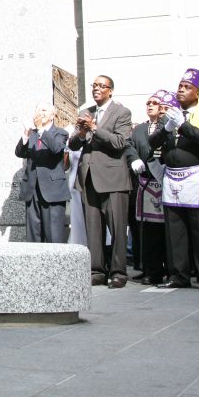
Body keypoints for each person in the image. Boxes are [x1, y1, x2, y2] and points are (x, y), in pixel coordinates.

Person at [152, 69, 199, 291]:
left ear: (198, 93)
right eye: (180, 86)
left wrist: (184, 125)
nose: (181, 89)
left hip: (198, 178)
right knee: (175, 230)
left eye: (187, 87)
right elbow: (152, 142)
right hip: (173, 179)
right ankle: (178, 274)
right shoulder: (170, 115)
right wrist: (168, 128)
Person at [69, 75, 132, 288]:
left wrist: (95, 129)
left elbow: (119, 142)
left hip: (113, 179)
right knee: (93, 229)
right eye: (94, 86)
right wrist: (83, 131)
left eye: (101, 86)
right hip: (89, 178)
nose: (96, 89)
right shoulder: (86, 112)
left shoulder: (122, 112)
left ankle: (118, 272)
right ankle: (96, 271)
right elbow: (74, 144)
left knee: (116, 228)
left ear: (110, 90)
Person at [125, 90, 171, 285]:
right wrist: (134, 159)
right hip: (143, 182)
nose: (150, 105)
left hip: (166, 181)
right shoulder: (139, 129)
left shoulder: (169, 126)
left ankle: (170, 269)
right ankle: (148, 268)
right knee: (146, 230)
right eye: (148, 102)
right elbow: (129, 145)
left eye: (155, 102)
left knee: (166, 230)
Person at [15, 104, 69, 243]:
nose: (41, 113)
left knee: (53, 235)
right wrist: (26, 136)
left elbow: (56, 149)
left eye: (44, 110)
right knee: (33, 235)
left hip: (52, 191)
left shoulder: (60, 133)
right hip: (32, 190)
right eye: (38, 110)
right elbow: (19, 153)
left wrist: (40, 129)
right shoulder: (32, 133)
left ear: (53, 115)